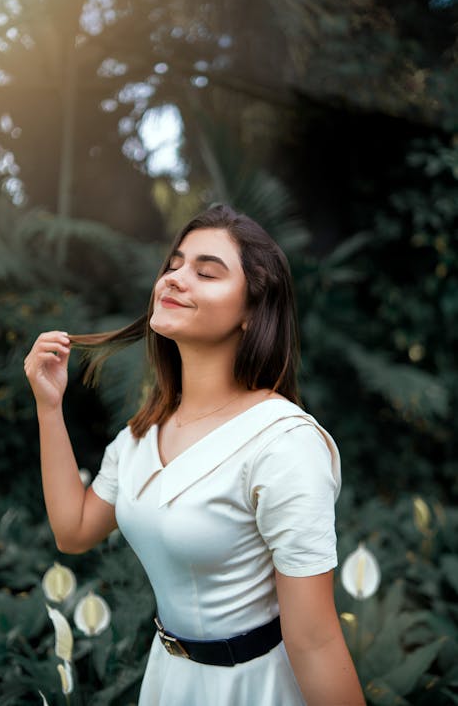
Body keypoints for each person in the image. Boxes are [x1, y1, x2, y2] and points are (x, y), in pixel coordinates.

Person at [24, 204, 366, 706]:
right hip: (168, 682)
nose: (175, 279)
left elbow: (315, 641)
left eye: (206, 272)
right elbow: (73, 531)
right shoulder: (142, 435)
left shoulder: (283, 444)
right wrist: (49, 409)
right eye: (174, 264)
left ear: (252, 311)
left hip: (255, 688)